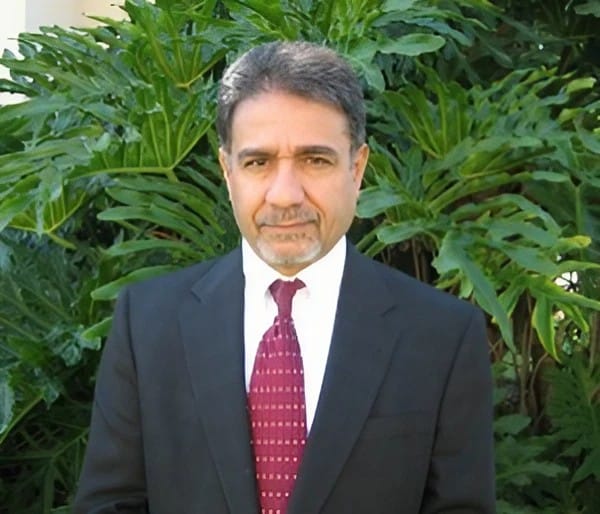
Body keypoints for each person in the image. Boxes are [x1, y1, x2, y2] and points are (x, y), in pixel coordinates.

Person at [73, 41, 495, 514]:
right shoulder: (147, 325)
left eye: (316, 160)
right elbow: (109, 504)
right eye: (258, 162)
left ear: (356, 170)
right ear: (227, 172)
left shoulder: (442, 336)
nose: (285, 195)